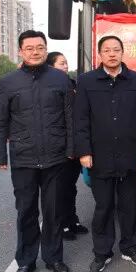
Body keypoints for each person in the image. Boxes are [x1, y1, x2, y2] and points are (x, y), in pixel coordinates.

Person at [0, 30, 74, 272]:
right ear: (20, 51)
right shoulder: (8, 82)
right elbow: (0, 121)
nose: (35, 52)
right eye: (29, 48)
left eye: (40, 47)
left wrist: (72, 150)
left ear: (46, 49)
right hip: (23, 157)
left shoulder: (61, 79)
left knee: (53, 211)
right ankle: (26, 261)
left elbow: (70, 118)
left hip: (56, 157)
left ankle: (54, 258)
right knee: (26, 211)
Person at [75, 35, 136, 272]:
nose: (112, 54)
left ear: (122, 52)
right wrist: (84, 151)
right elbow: (80, 119)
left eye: (116, 50)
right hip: (100, 155)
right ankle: (102, 252)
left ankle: (130, 248)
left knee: (130, 206)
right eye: (107, 50)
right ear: (100, 54)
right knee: (104, 207)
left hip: (130, 153)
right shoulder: (87, 81)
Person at [45, 51, 89, 241]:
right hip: (59, 144)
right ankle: (60, 223)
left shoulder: (72, 83)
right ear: (51, 66)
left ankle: (72, 220)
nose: (65, 66)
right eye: (61, 63)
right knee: (59, 188)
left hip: (75, 142)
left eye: (66, 63)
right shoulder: (48, 86)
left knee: (71, 186)